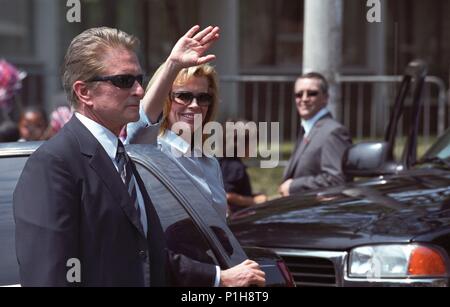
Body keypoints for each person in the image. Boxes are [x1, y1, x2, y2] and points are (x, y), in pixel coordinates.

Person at [13, 25, 229, 287]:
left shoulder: (121, 158)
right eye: (124, 81)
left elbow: (145, 258)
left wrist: (219, 279)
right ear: (84, 92)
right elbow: (48, 276)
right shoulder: (54, 164)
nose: (139, 90)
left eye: (140, 79)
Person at [126, 64, 265, 285]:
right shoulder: (151, 150)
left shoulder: (210, 163)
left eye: (203, 98)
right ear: (166, 99)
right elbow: (140, 126)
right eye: (183, 96)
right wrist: (173, 63)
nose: (194, 105)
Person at [279, 72, 352, 196]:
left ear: (325, 98)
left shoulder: (333, 132)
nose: (304, 99)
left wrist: (294, 186)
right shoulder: (307, 129)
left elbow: (337, 180)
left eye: (312, 93)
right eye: (299, 94)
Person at [218, 120, 267, 214]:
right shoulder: (235, 167)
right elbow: (228, 195)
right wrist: (254, 201)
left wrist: (253, 196)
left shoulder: (223, 161)